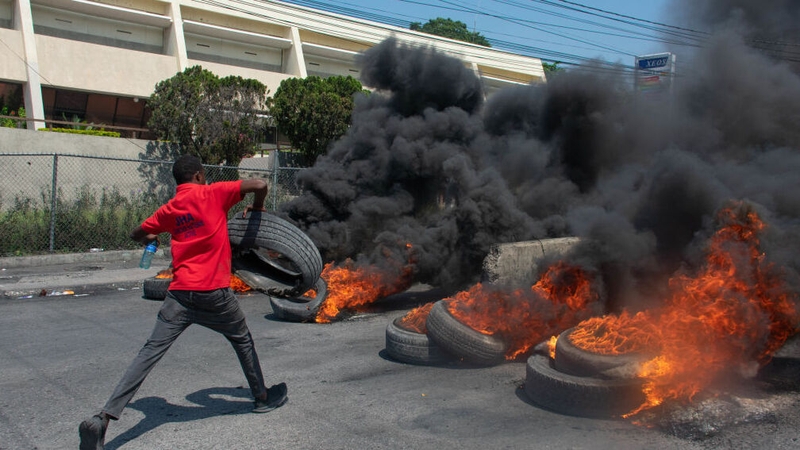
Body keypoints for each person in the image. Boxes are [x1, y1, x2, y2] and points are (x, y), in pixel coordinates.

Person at [79, 154, 287, 450]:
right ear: (200, 176)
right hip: (214, 293)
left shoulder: (170, 208)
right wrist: (256, 206)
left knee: (149, 353)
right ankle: (262, 397)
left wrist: (152, 239)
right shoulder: (214, 193)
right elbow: (260, 182)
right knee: (241, 339)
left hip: (179, 294)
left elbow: (136, 232)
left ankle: (103, 419)